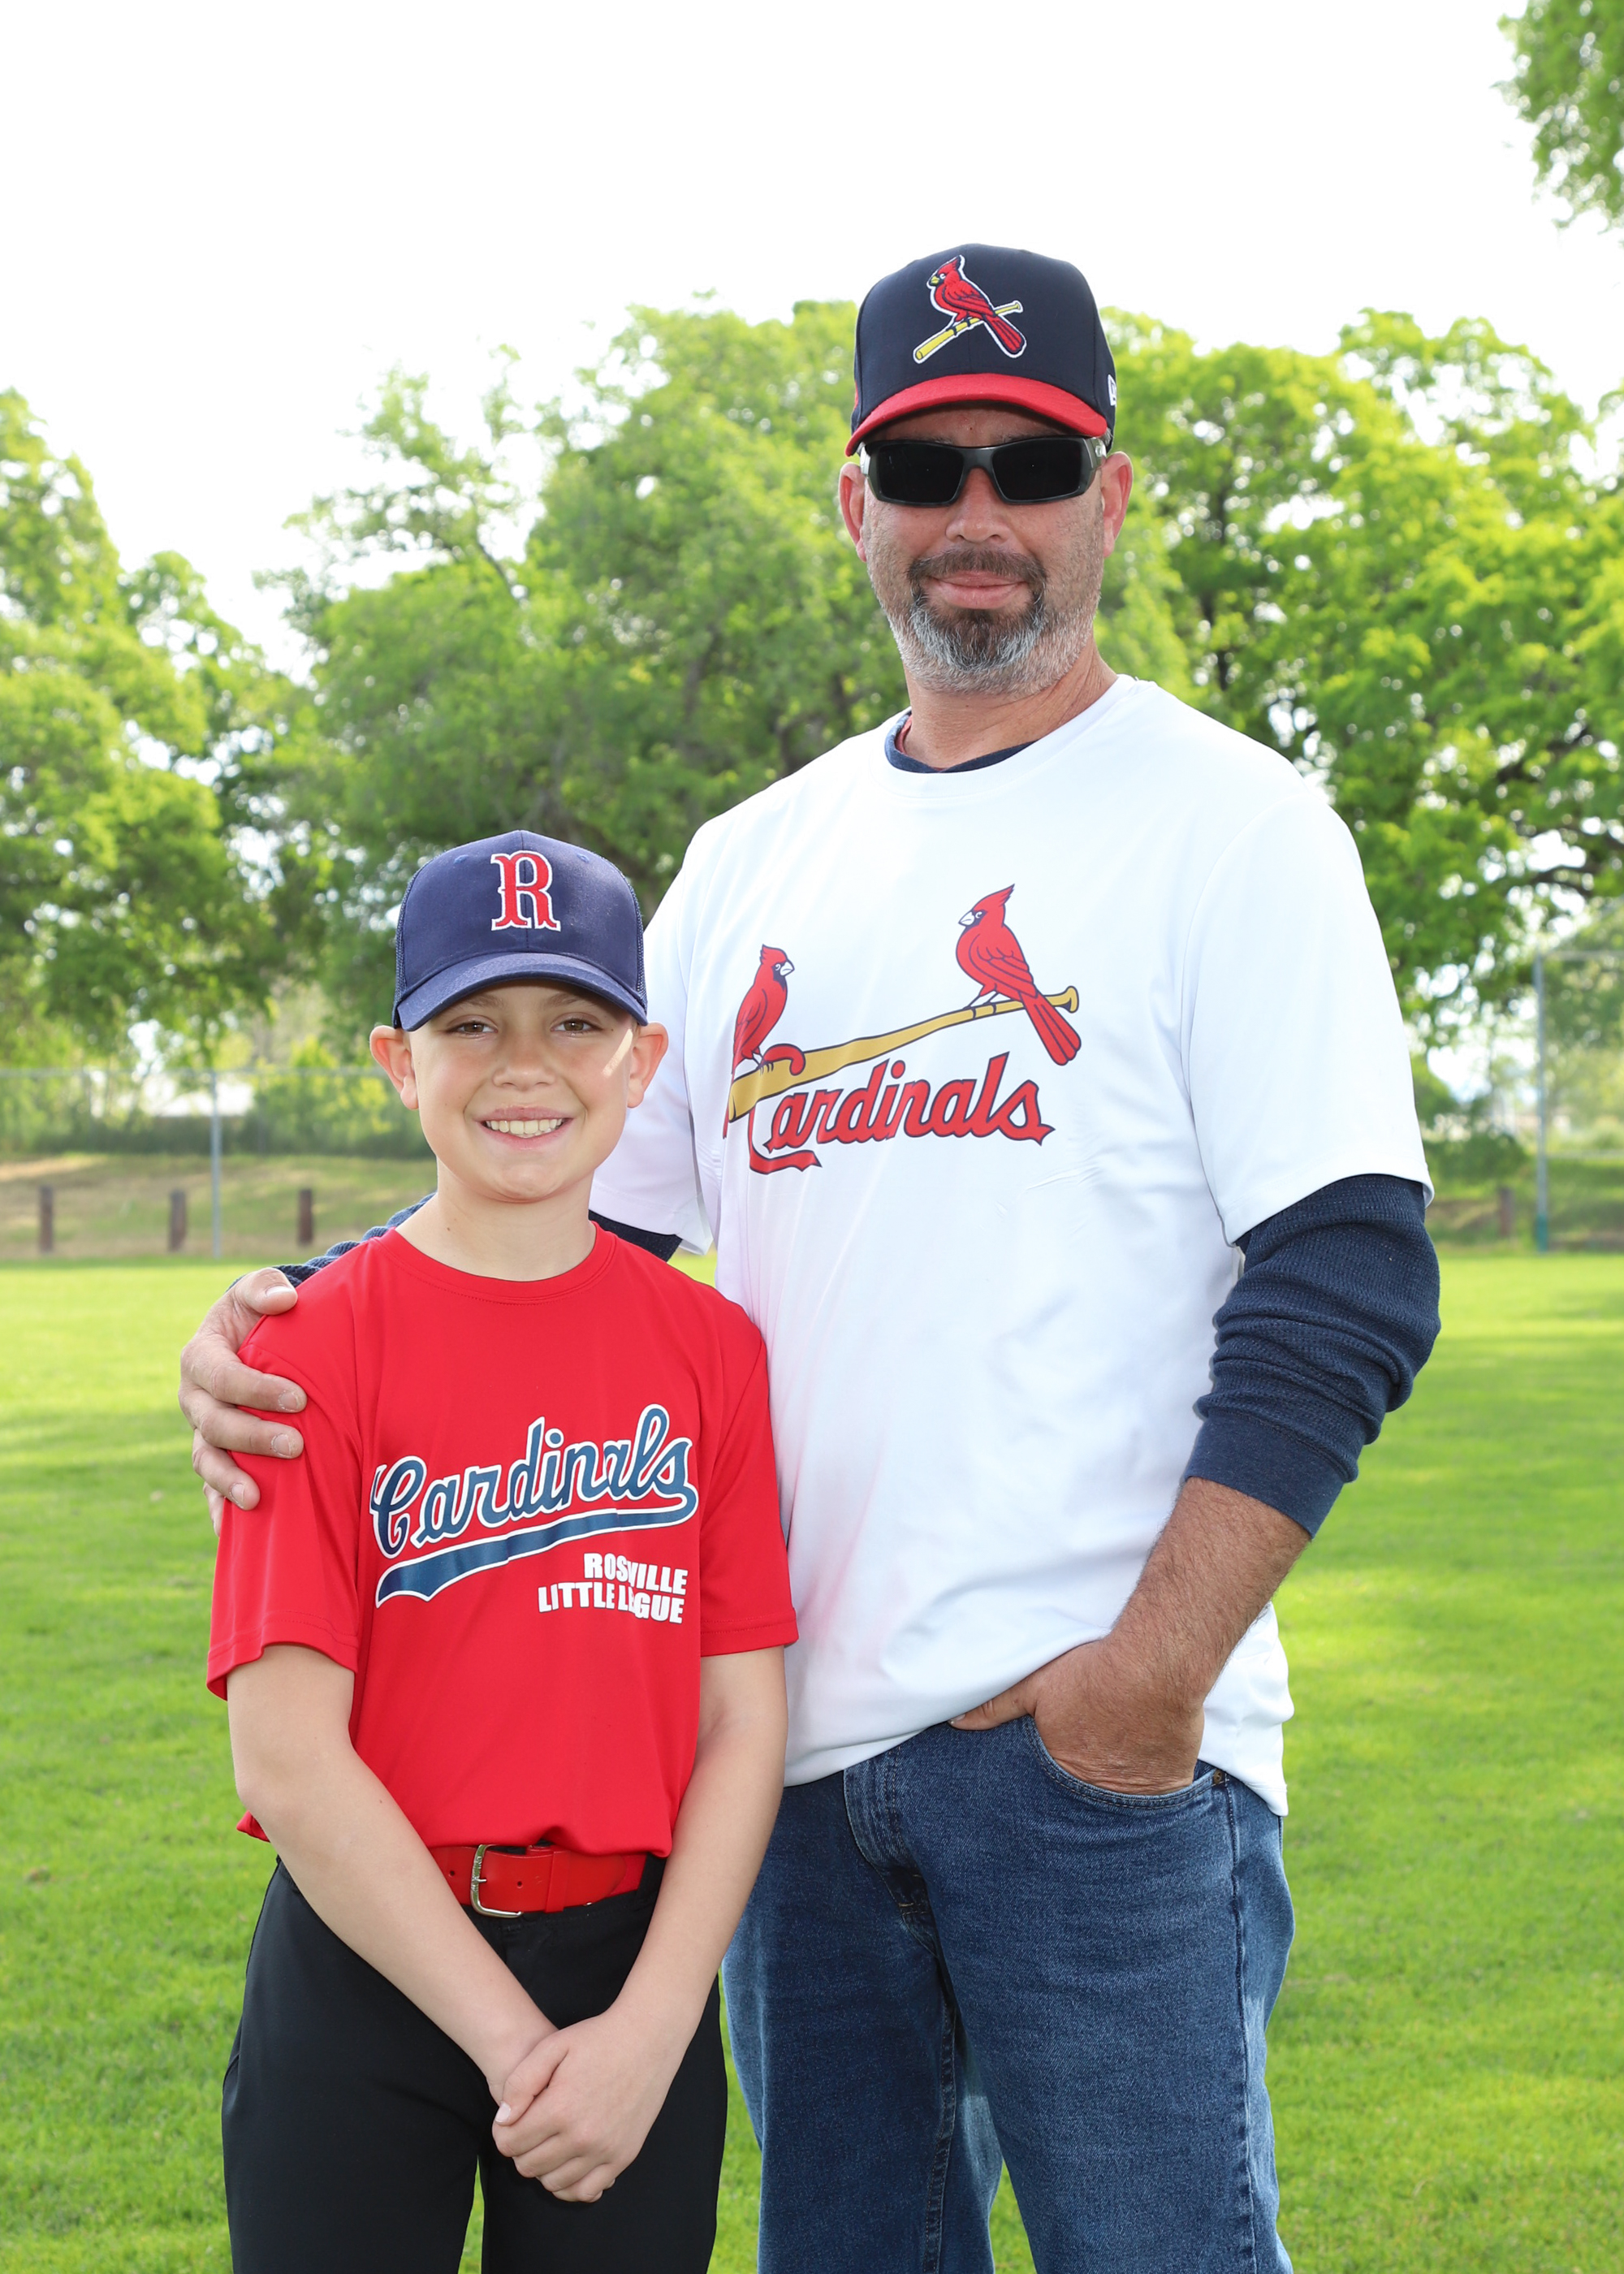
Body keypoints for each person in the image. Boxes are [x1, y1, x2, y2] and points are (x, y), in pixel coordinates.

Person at [183, 247, 1441, 2272]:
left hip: (1090, 1762)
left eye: (1028, 462)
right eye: (924, 466)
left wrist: (1144, 1686)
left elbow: (1351, 1275)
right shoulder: (755, 858)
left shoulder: (1234, 823)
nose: (975, 512)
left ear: (1109, 494)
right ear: (856, 502)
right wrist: (288, 1321)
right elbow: (547, 1210)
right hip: (778, 1767)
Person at [207, 828, 797, 2274]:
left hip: (629, 1968)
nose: (524, 1067)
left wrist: (652, 2028)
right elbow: (286, 1760)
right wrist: (522, 2052)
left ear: (643, 1063)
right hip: (366, 1957)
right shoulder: (306, 1347)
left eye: (574, 1023)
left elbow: (742, 1719)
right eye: (471, 1024)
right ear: (398, 1063)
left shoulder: (712, 1350)